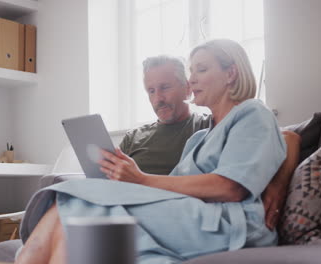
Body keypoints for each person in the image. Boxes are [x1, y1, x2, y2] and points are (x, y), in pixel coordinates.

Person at [17, 39, 292, 264]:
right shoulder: (199, 139)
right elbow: (170, 192)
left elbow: (233, 187)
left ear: (230, 74)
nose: (192, 79)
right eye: (191, 71)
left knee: (80, 204)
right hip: (194, 216)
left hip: (229, 224)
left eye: (201, 69)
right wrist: (127, 179)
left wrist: (141, 180)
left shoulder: (252, 112)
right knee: (74, 210)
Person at [120, 55, 300, 230]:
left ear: (186, 88)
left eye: (165, 87)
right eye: (151, 91)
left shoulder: (217, 124)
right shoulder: (137, 136)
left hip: (187, 213)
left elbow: (287, 137)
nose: (158, 99)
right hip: (147, 204)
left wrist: (278, 185)